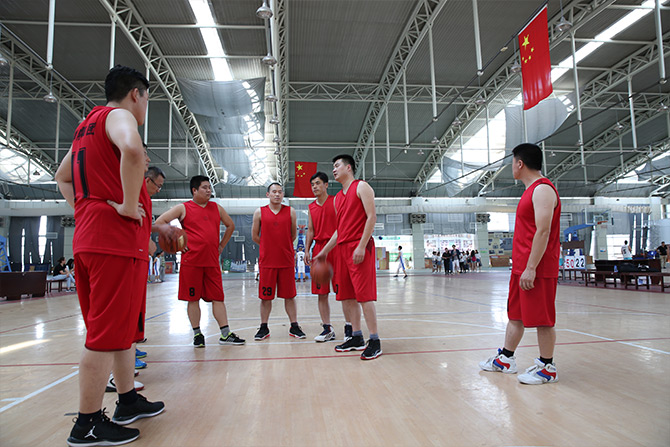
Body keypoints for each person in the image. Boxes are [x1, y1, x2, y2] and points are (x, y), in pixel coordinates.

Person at [55, 65, 165, 446]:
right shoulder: (119, 116)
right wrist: (128, 206)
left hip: (91, 239)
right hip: (113, 244)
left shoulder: (85, 127)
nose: (145, 107)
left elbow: (62, 176)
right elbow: (133, 149)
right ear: (136, 94)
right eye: (147, 99)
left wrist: (87, 209)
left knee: (120, 332)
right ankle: (86, 423)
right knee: (103, 336)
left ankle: (128, 400)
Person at [479, 143, 561, 385]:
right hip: (521, 268)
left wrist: (532, 267)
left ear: (520, 163)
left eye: (512, 163)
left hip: (537, 268)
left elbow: (543, 231)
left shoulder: (543, 189)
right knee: (515, 315)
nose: (512, 168)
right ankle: (506, 358)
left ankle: (547, 367)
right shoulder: (530, 191)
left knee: (543, 319)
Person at [155, 175, 245, 348]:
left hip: (212, 262)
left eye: (209, 187)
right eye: (204, 187)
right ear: (194, 190)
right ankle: (197, 334)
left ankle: (225, 334)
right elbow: (160, 222)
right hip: (191, 262)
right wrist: (178, 244)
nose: (209, 190)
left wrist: (221, 245)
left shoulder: (216, 208)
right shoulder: (183, 208)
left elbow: (230, 225)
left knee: (218, 298)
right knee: (193, 299)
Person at [313, 154, 382, 360]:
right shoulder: (337, 198)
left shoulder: (361, 187)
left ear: (348, 167)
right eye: (333, 167)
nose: (334, 170)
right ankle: (356, 336)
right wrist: (324, 251)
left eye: (337, 166)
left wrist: (361, 245)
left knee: (364, 297)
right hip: (342, 250)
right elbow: (339, 230)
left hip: (359, 247)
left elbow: (371, 217)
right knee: (347, 297)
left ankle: (375, 340)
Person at [251, 183, 306, 340]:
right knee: (265, 297)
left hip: (286, 261)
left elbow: (293, 235)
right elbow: (254, 236)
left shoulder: (290, 212)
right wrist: (268, 246)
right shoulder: (259, 212)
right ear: (268, 194)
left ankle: (294, 326)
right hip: (267, 261)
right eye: (274, 192)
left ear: (283, 195)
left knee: (290, 296)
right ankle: (263, 327)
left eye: (280, 192)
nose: (277, 194)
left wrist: (283, 247)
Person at [305, 171, 352, 343]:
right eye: (312, 184)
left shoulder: (335, 201)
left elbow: (342, 226)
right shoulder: (311, 207)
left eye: (318, 183)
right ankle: (327, 328)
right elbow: (310, 230)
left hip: (336, 248)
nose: (315, 187)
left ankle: (349, 327)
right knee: (321, 293)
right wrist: (307, 250)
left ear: (326, 185)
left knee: (344, 292)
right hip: (319, 251)